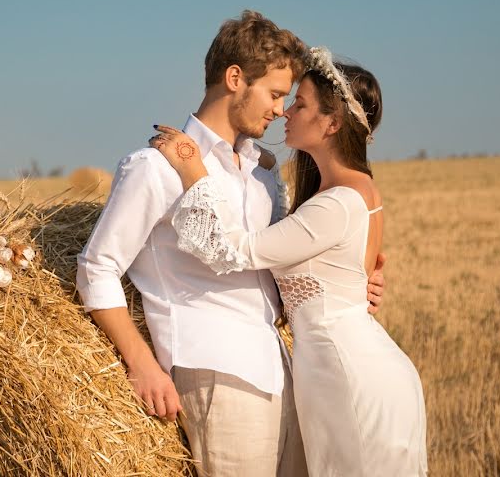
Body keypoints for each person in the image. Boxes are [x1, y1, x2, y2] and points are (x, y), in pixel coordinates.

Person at [76, 11, 387, 477]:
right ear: (235, 78)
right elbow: (97, 267)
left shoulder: (263, 174)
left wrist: (353, 282)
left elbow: (278, 263)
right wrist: (141, 364)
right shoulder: (155, 165)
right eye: (276, 94)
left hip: (282, 370)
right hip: (215, 370)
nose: (281, 110)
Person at [150, 46, 427, 476]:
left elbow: (231, 249)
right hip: (342, 367)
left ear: (332, 123)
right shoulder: (355, 192)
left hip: (347, 377)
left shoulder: (336, 204)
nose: (285, 113)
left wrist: (192, 169)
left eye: (299, 104)